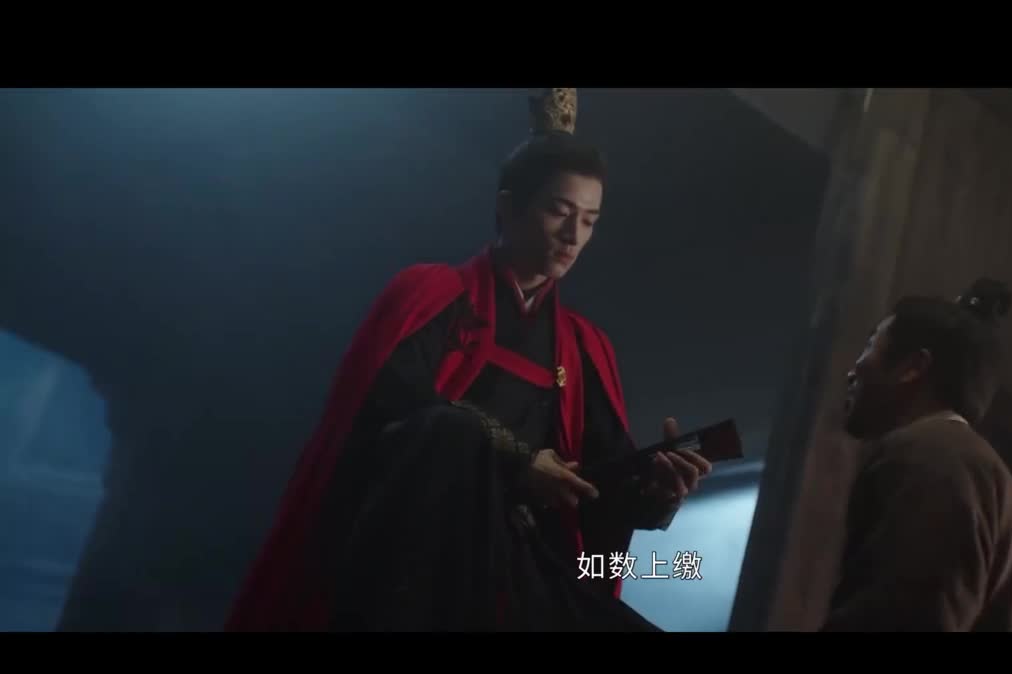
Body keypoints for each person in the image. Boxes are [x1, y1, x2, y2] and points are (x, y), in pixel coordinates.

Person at [225, 88, 712, 632]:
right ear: (508, 206)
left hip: (520, 560)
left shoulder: (582, 347)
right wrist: (519, 462)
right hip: (424, 548)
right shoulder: (432, 294)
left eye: (590, 220)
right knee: (447, 432)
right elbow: (398, 403)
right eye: (559, 211)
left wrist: (656, 493)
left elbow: (598, 487)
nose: (574, 236)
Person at [821, 278, 1012, 632]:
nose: (852, 370)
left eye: (871, 346)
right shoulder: (962, 461)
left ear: (914, 367)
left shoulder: (929, 458)